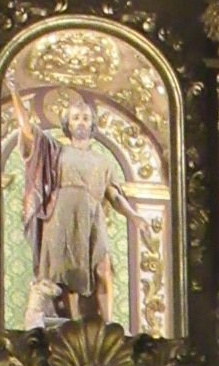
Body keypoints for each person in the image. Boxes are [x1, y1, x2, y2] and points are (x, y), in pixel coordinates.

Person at [12, 83, 144, 326]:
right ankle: (72, 326)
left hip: (92, 214)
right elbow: (28, 130)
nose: (81, 122)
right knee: (66, 276)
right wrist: (14, 92)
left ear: (92, 124)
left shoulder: (102, 161)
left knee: (103, 268)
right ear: (68, 124)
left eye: (85, 118)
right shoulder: (56, 151)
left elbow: (113, 195)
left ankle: (108, 326)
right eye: (75, 118)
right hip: (61, 214)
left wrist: (134, 216)